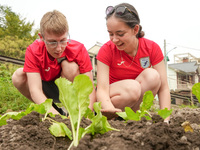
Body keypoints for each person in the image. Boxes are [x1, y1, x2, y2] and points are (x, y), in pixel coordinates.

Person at [96, 3, 171, 122]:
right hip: (111, 102)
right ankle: (113, 119)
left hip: (133, 104)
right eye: (110, 34)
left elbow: (164, 89)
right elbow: (101, 89)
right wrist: (110, 110)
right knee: (133, 88)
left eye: (120, 34)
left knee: (153, 76)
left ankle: (133, 119)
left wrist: (165, 120)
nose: (114, 39)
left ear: (135, 29)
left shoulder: (151, 48)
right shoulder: (106, 50)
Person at [12, 10, 96, 115]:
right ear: (41, 37)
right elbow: (35, 90)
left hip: (69, 89)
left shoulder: (78, 49)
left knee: (70, 67)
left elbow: (89, 87)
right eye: (52, 42)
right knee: (18, 76)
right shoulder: (33, 50)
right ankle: (54, 111)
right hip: (47, 90)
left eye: (63, 40)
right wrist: (57, 118)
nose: (59, 48)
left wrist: (85, 116)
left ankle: (74, 111)